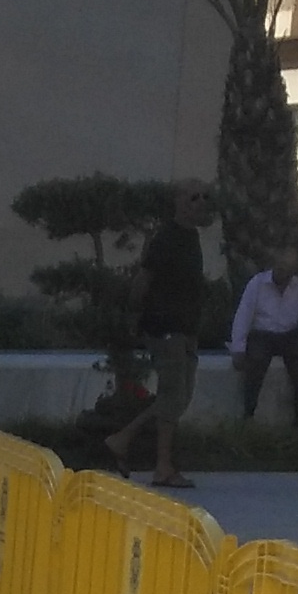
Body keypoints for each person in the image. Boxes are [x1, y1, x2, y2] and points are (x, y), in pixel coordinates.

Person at [115, 182, 208, 487]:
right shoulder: (165, 239)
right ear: (179, 202)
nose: (200, 203)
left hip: (186, 329)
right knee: (172, 396)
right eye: (194, 196)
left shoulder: (192, 237)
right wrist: (134, 315)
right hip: (165, 327)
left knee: (180, 398)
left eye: (204, 198)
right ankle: (163, 466)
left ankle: (123, 438)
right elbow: (144, 278)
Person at [230, 250, 298, 424]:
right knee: (255, 362)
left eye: (288, 268)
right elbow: (243, 316)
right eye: (281, 267)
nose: (283, 272)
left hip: (289, 336)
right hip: (262, 334)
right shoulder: (256, 284)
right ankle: (248, 414)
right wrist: (238, 348)